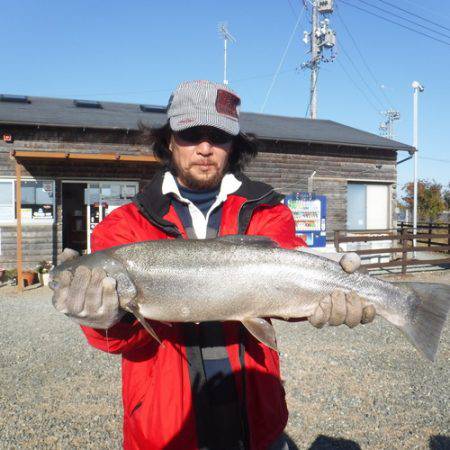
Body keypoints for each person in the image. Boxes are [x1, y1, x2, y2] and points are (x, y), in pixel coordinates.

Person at [51, 80, 375, 450]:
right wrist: (102, 319)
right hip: (162, 429)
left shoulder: (268, 211)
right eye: (191, 134)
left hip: (258, 423)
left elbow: (292, 286)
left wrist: (335, 292)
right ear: (169, 139)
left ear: (234, 144)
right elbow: (122, 341)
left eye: (218, 136)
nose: (205, 148)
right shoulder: (123, 225)